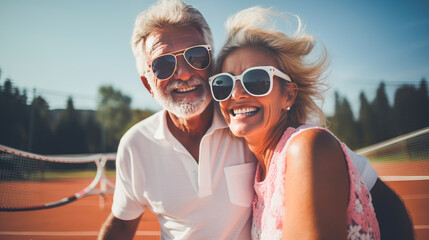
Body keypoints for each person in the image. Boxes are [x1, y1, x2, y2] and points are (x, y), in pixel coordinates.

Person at [98, 1, 410, 239]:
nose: (183, 72)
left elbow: (381, 202)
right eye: (164, 65)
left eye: (195, 56)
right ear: (147, 83)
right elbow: (123, 224)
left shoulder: (289, 142)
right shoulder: (135, 145)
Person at [209, 7, 413, 240]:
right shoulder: (258, 172)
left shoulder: (307, 147)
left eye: (256, 80)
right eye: (223, 84)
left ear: (288, 95)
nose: (236, 94)